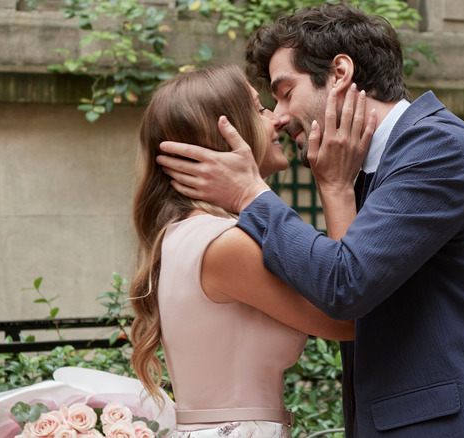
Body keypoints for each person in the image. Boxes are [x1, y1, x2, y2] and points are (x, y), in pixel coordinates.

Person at [156, 4, 464, 438]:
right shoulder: (365, 169)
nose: (280, 116)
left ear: (340, 73)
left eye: (286, 92)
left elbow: (345, 286)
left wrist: (250, 194)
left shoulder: (436, 149)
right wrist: (335, 187)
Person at [129, 64, 370, 438]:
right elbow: (349, 315)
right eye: (259, 109)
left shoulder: (190, 234)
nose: (276, 119)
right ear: (222, 134)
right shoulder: (224, 244)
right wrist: (336, 186)